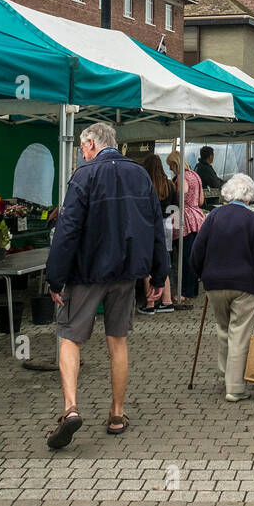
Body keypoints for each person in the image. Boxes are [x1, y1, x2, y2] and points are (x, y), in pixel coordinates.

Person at [45, 123, 169, 447]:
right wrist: (159, 274)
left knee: (69, 337)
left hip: (86, 272)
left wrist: (55, 277)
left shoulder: (84, 176)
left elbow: (67, 229)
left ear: (89, 143)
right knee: (118, 342)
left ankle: (70, 409)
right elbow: (155, 226)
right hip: (126, 274)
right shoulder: (140, 176)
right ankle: (116, 413)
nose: (82, 154)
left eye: (82, 148)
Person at [191, 174, 254, 402]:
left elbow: (197, 250)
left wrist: (202, 275)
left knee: (223, 330)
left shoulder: (214, 216)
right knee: (239, 334)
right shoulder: (252, 220)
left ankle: (225, 375)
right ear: (249, 196)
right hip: (244, 285)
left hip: (215, 284)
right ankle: (235, 387)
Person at [138, 153, 180, 313]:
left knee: (148, 264)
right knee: (164, 261)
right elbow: (175, 207)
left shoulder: (144, 184)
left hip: (149, 225)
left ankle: (150, 304)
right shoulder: (169, 184)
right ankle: (167, 301)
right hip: (167, 224)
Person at [167, 150, 206, 307]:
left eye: (171, 166)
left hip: (185, 220)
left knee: (184, 259)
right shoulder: (196, 175)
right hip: (198, 217)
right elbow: (201, 200)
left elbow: (181, 196)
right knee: (193, 257)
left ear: (175, 164)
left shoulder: (181, 178)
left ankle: (185, 293)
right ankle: (194, 290)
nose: (170, 169)